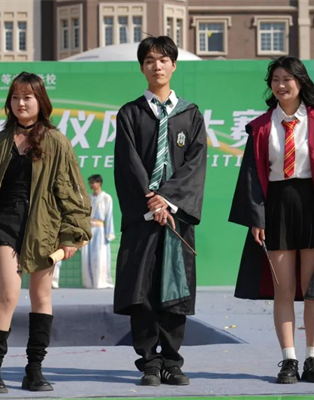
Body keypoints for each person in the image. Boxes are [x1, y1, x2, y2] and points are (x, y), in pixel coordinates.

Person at [229, 56, 314, 384]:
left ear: (301, 82)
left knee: (313, 289)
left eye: (287, 78)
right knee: (284, 288)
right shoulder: (262, 126)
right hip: (277, 208)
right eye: (275, 79)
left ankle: (313, 359)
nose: (281, 85)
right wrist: (256, 218)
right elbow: (251, 175)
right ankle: (288, 360)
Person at [0, 72, 91, 393]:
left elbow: (71, 192)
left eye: (28, 97)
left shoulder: (57, 142)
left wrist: (71, 234)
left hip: (43, 228)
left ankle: (34, 370)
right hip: (5, 225)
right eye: (16, 97)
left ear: (40, 101)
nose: (21, 103)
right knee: (8, 295)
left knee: (41, 296)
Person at [113, 36, 207, 387]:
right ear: (142, 67)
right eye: (150, 60)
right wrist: (151, 201)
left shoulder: (190, 114)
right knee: (142, 291)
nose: (157, 66)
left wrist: (167, 200)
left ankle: (172, 362)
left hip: (176, 218)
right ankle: (149, 363)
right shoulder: (131, 113)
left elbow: (195, 164)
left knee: (174, 289)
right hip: (142, 218)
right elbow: (128, 164)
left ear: (174, 65)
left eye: (164, 60)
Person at [81, 174, 115, 289]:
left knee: (99, 255)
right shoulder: (88, 198)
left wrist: (109, 233)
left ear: (99, 183)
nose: (91, 185)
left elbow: (109, 217)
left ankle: (100, 282)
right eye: (90, 183)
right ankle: (89, 282)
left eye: (93, 182)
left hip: (100, 230)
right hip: (88, 229)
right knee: (87, 256)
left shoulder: (106, 198)